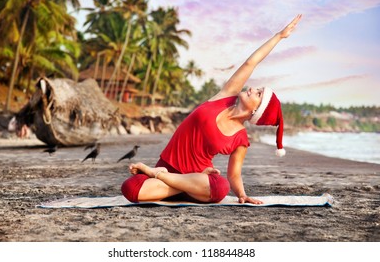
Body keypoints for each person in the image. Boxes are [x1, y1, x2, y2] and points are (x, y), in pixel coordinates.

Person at [121, 14, 302, 205]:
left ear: (256, 111)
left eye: (258, 93)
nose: (252, 88)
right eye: (257, 88)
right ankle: (172, 182)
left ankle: (160, 177)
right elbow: (251, 63)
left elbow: (234, 175)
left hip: (195, 181)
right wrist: (279, 36)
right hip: (179, 174)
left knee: (220, 188)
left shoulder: (240, 139)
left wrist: (242, 194)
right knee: (130, 189)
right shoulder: (225, 96)